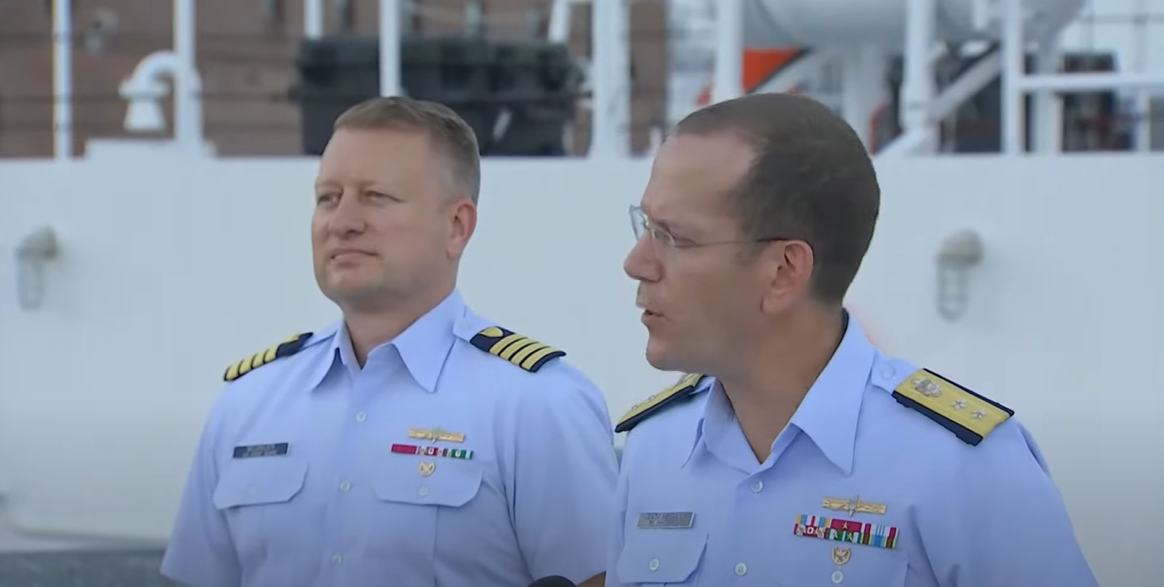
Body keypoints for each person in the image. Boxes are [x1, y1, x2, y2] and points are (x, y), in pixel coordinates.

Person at [605, 93, 1098, 587]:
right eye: (646, 226)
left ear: (783, 271)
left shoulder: (966, 469)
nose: (637, 263)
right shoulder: (653, 450)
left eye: (675, 237)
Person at [160, 96, 615, 587]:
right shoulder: (247, 404)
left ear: (456, 227)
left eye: (376, 196)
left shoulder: (537, 406)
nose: (343, 221)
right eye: (327, 197)